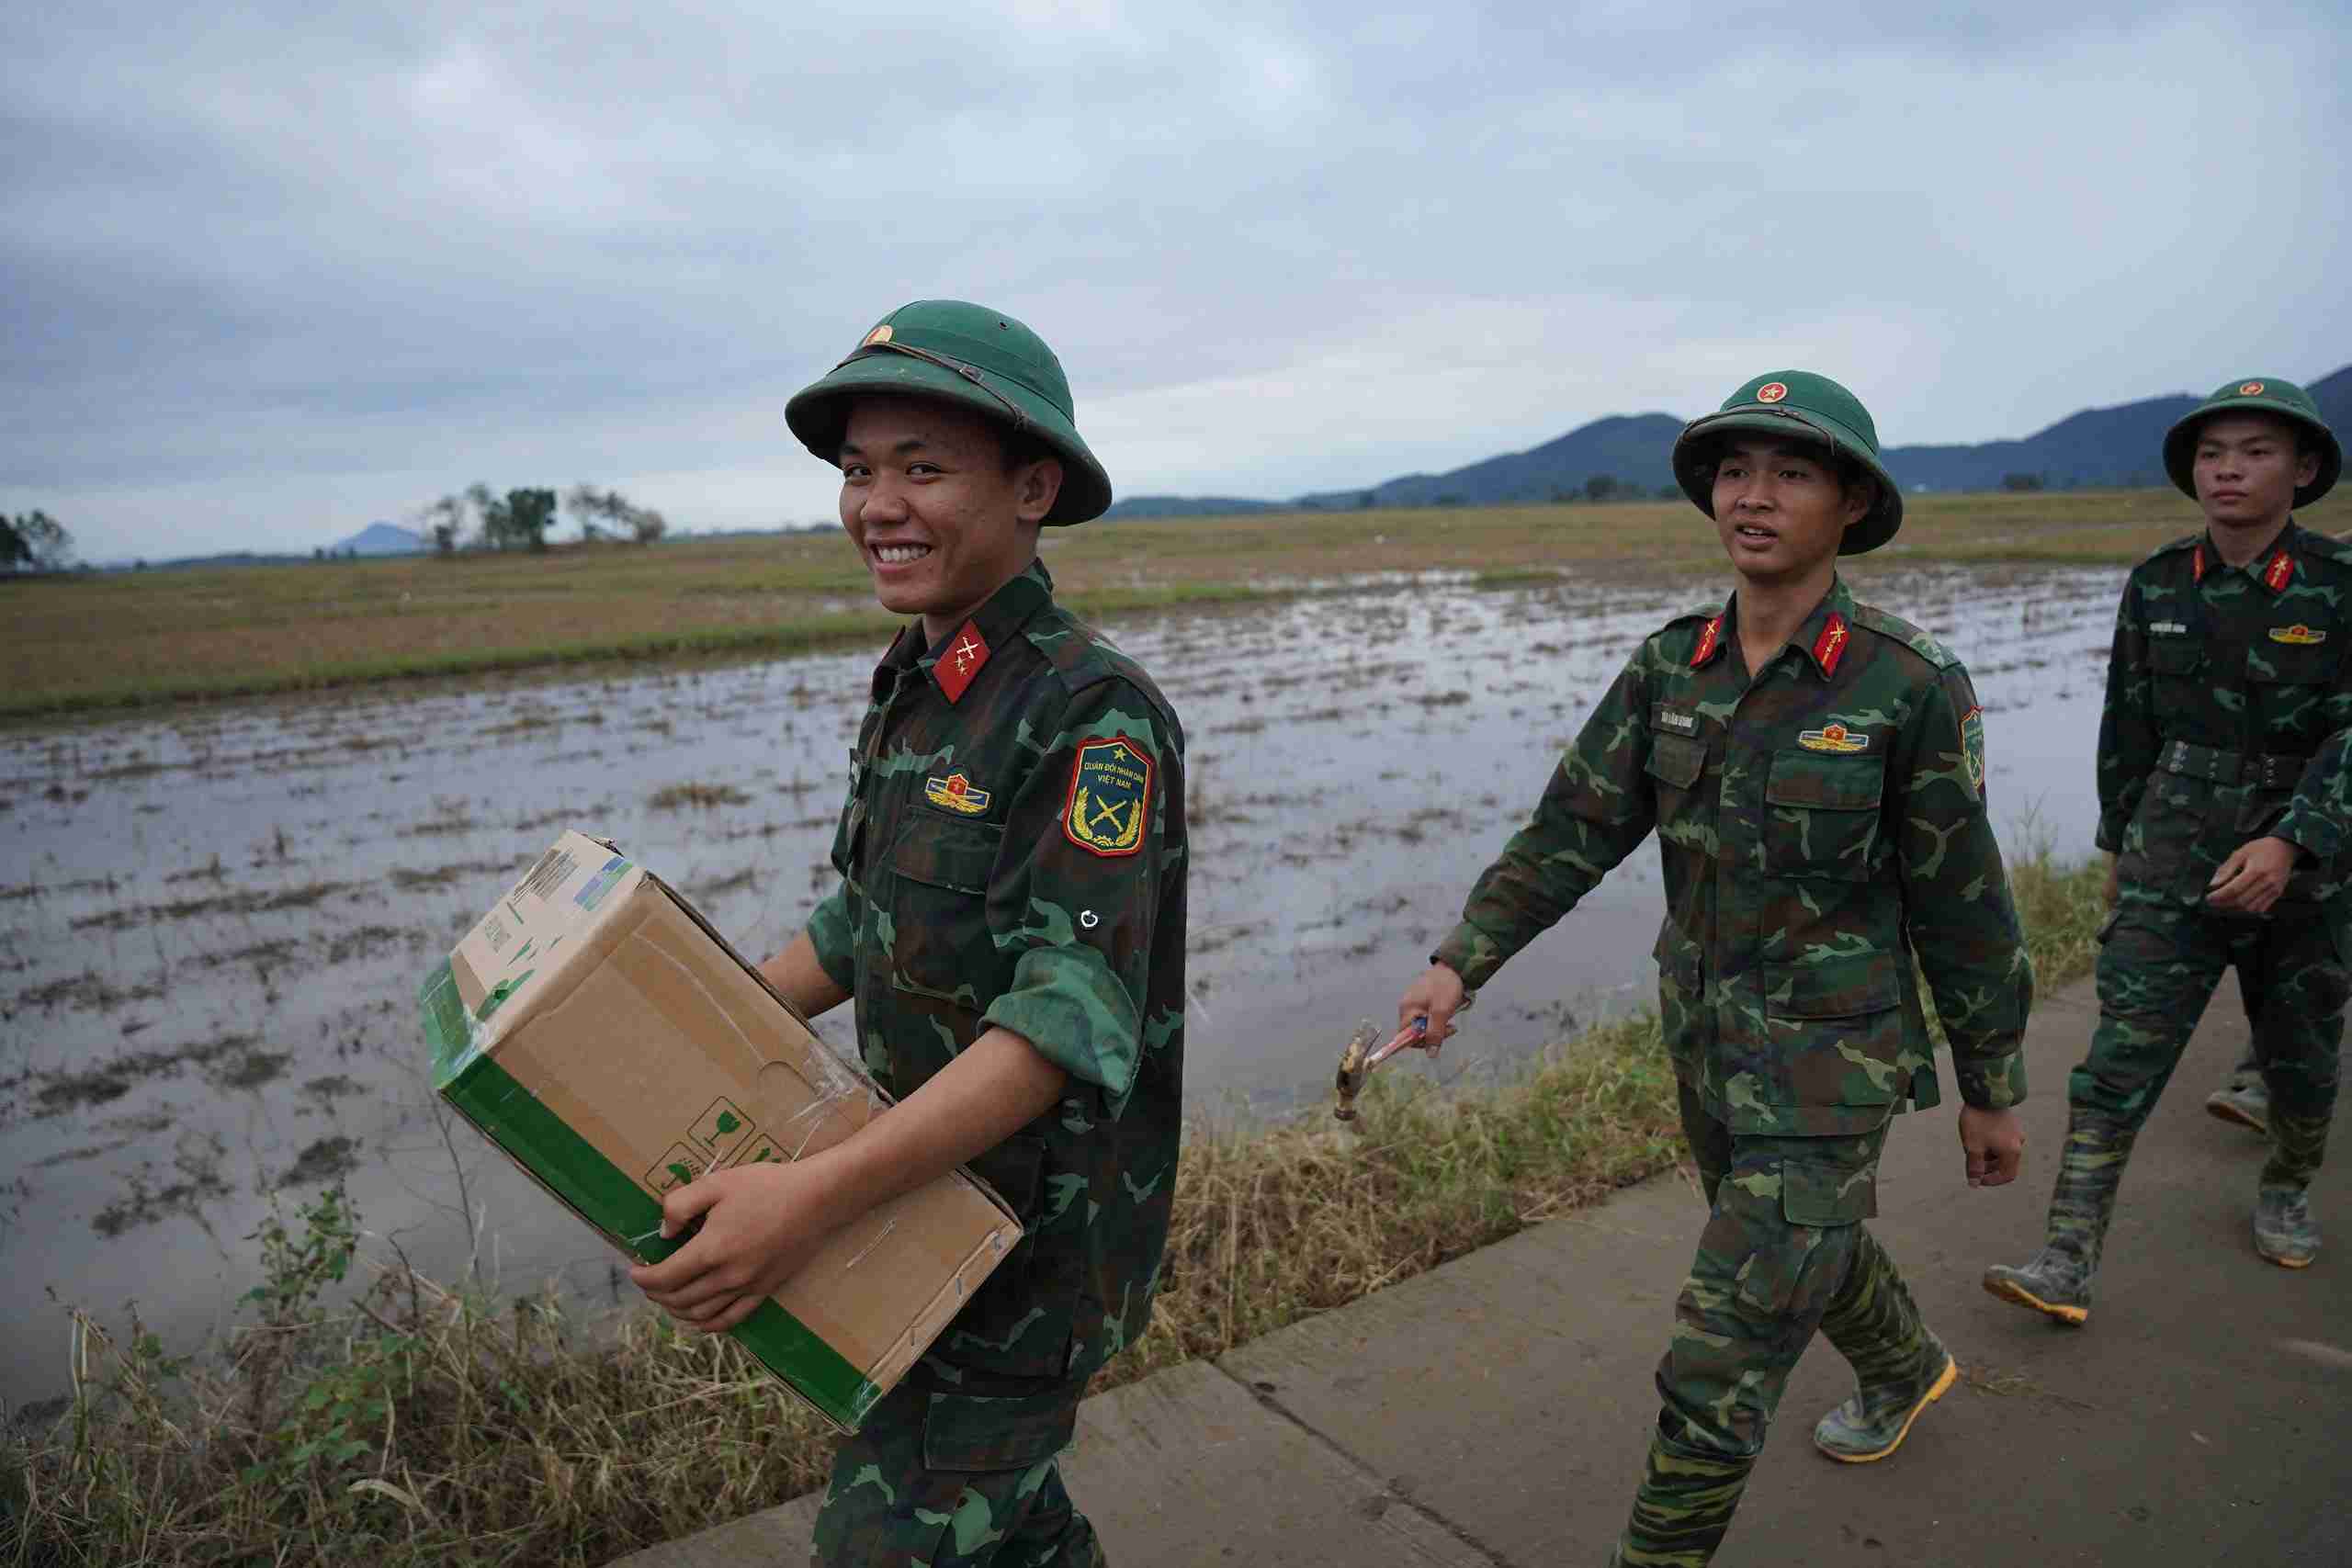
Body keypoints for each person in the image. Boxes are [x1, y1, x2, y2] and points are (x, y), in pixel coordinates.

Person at [1396, 372, 2033, 1566]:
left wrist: (1992, 1079)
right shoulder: (1669, 666)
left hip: (1832, 1067)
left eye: (1792, 472)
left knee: (1720, 1353)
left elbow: (1964, 899)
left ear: (1850, 500)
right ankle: (1905, 1363)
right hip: (1706, 1047)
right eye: (1735, 471)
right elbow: (1570, 831)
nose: (1754, 496)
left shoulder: (1906, 683)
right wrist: (1459, 960)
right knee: (1800, 1247)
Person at [629, 299, 1186, 1566]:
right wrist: (682, 1033)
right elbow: (861, 919)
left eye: (922, 468)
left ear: (1033, 485)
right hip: (917, 1201)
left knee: (890, 1542)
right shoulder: (920, 684)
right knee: (1007, 1528)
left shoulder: (1092, 717)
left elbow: (1056, 1026)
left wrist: (806, 1201)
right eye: (858, 470)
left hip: (1029, 1245)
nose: (878, 503)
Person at [1985, 377, 2346, 1320]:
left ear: (2303, 469)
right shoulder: (2156, 582)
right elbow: (2128, 725)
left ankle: (2285, 1183)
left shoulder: (2340, 588)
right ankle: (2066, 1256)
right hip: (2172, 852)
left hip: (2305, 871)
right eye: (2210, 452)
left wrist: (2291, 844)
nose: (2227, 468)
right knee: (2119, 1059)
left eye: (2255, 451)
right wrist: (2119, 846)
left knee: (2301, 1058)